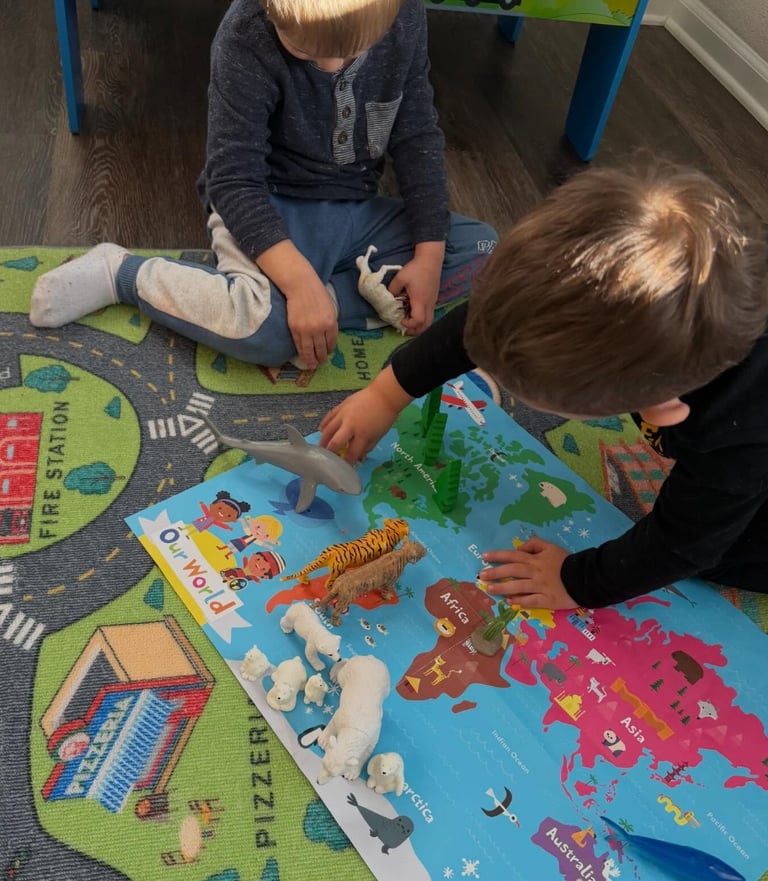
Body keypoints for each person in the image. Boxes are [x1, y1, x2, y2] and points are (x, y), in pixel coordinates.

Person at [319, 160, 768, 610]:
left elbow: (682, 545)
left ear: (662, 408)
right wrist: (388, 392)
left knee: (725, 550)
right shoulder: (650, 330)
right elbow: (488, 324)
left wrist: (578, 582)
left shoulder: (736, 433)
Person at [30, 0, 497, 370]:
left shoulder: (405, 14)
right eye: (307, 51)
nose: (332, 66)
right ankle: (122, 274)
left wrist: (429, 257)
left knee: (487, 250)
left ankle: (325, 302)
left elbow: (417, 135)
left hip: (354, 207)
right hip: (269, 206)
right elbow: (233, 180)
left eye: (354, 50)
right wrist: (297, 282)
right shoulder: (245, 36)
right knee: (266, 332)